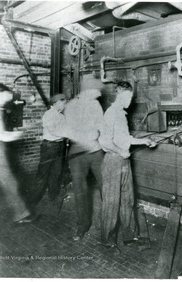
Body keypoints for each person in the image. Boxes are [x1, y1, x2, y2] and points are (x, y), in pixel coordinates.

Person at [99, 81, 156, 248]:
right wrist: (119, 151)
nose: (131, 100)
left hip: (124, 161)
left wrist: (144, 141)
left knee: (128, 199)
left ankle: (129, 236)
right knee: (111, 202)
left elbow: (125, 139)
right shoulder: (111, 113)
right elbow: (105, 141)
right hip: (113, 161)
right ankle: (107, 241)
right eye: (129, 96)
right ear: (121, 95)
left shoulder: (121, 114)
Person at [0, 82, 37, 224]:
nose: (7, 99)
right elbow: (0, 135)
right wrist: (21, 133)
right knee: (9, 183)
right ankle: (21, 214)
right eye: (5, 96)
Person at [64, 74, 104, 241]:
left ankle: (110, 224)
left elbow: (100, 127)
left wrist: (94, 134)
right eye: (97, 91)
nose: (100, 95)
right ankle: (82, 225)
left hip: (96, 152)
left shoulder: (95, 104)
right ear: (87, 90)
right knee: (80, 191)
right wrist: (89, 135)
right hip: (78, 154)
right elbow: (70, 131)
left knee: (106, 186)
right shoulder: (71, 106)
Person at [27, 94, 68, 208]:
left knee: (57, 172)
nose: (65, 105)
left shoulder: (61, 116)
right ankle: (31, 202)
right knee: (42, 175)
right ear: (57, 102)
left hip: (60, 145)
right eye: (64, 102)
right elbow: (54, 131)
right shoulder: (49, 114)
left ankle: (53, 196)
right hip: (49, 147)